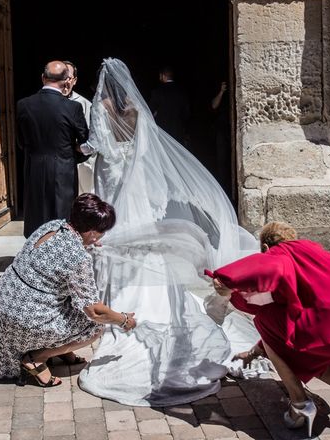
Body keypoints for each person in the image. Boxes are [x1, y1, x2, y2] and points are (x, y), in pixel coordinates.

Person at [77, 58, 259, 406]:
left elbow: (97, 143)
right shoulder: (135, 110)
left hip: (110, 172)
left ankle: (110, 286)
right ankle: (142, 283)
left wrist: (82, 151)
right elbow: (143, 148)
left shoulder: (101, 108)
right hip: (132, 174)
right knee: (136, 230)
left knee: (109, 227)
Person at [209, 222, 330, 437]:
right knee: (300, 345)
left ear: (265, 247)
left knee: (265, 320)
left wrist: (225, 280)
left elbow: (265, 267)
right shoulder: (318, 255)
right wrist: (255, 352)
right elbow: (288, 321)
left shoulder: (280, 254)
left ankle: (299, 404)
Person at [0, 193, 136, 386]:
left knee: (71, 298)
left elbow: (59, 256)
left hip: (7, 299)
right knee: (95, 326)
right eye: (101, 231)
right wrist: (123, 320)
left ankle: (62, 350)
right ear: (92, 232)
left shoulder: (53, 226)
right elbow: (94, 310)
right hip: (25, 316)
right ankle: (37, 358)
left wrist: (88, 242)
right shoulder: (78, 258)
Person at [17, 60, 89, 238]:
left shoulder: (23, 104)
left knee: (35, 212)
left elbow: (20, 141)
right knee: (61, 214)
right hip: (63, 169)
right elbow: (85, 143)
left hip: (34, 167)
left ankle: (34, 252)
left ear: (43, 78)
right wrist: (73, 155)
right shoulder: (73, 107)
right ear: (67, 81)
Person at [63, 61, 95, 194]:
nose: (64, 81)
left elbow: (89, 137)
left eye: (68, 77)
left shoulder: (84, 104)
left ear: (74, 80)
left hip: (79, 163)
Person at [148, 65, 191, 145]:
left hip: (162, 131)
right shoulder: (182, 92)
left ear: (163, 76)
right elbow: (186, 114)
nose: (159, 77)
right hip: (177, 130)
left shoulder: (157, 92)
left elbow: (150, 111)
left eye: (160, 75)